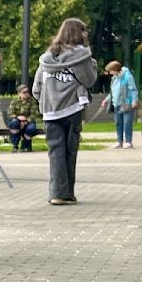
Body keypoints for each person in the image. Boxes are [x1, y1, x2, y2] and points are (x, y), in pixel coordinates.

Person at [33, 17, 98, 205]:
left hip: (50, 110)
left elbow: (36, 87)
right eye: (84, 31)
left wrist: (46, 100)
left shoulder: (47, 57)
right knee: (70, 151)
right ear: (79, 33)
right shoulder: (81, 56)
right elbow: (89, 80)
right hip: (72, 108)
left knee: (55, 152)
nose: (87, 34)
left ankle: (56, 192)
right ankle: (66, 193)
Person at [103, 60, 139, 149]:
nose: (109, 73)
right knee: (118, 123)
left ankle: (128, 141)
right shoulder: (114, 78)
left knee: (127, 123)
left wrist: (134, 100)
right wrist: (106, 100)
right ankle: (119, 141)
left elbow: (133, 90)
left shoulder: (128, 76)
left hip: (127, 103)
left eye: (110, 70)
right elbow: (112, 91)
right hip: (116, 103)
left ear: (115, 69)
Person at [7, 83, 39, 151]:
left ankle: (25, 145)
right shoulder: (14, 101)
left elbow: (34, 114)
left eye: (27, 91)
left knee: (31, 128)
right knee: (14, 123)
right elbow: (10, 113)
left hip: (28, 121)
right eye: (24, 92)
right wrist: (18, 119)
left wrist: (26, 121)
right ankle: (15, 145)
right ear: (19, 93)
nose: (26, 93)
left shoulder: (32, 100)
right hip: (17, 120)